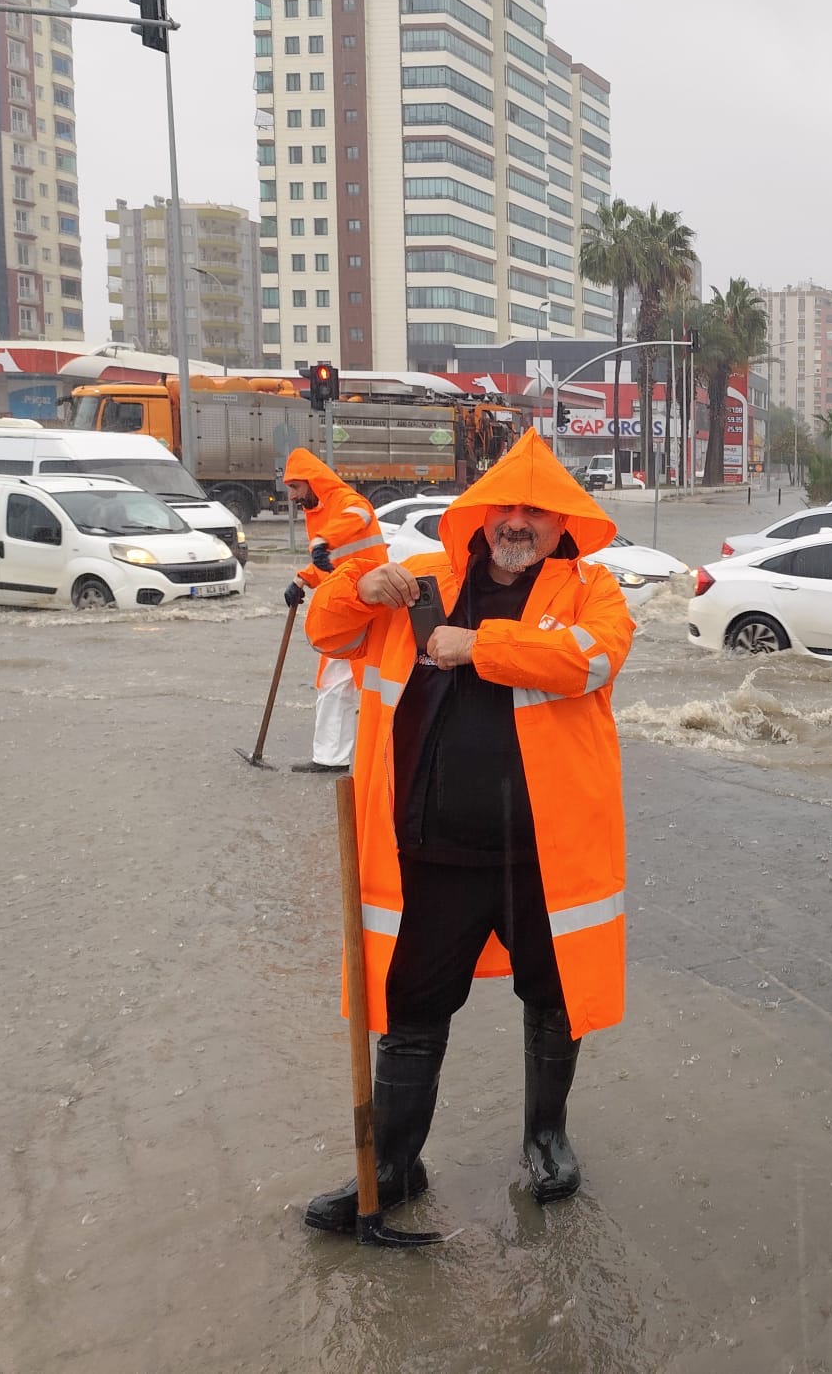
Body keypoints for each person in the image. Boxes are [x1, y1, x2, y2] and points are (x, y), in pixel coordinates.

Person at [299, 430, 635, 1230]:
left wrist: (478, 645)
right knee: (412, 1007)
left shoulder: (594, 593)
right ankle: (391, 1166)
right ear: (479, 517)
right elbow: (325, 632)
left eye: (536, 512)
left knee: (553, 1000)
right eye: (504, 508)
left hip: (542, 856)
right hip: (432, 851)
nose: (517, 523)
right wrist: (358, 590)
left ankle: (546, 1137)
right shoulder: (418, 583)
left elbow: (591, 661)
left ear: (563, 526)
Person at [280, 449, 386, 775]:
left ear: (312, 482)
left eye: (296, 488)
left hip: (372, 606)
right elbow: (332, 562)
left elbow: (360, 515)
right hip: (344, 606)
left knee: (377, 684)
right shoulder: (318, 514)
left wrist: (323, 541)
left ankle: (380, 757)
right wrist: (303, 578)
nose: (293, 497)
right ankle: (330, 758)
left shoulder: (345, 501)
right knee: (334, 683)